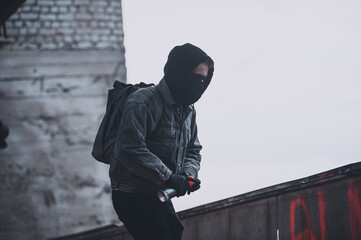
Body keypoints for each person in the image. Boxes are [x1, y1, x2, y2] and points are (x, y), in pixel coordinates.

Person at [110, 43, 214, 240]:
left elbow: (193, 149)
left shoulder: (188, 110)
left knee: (174, 233)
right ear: (179, 72)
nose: (199, 84)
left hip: (158, 191)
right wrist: (169, 177)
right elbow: (128, 148)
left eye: (203, 79)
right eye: (195, 78)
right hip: (131, 193)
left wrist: (187, 176)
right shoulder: (143, 102)